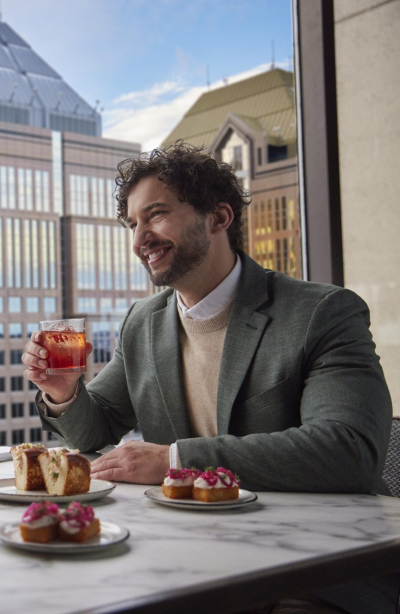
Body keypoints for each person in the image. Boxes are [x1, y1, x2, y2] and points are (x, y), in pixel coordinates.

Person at [23, 143, 395, 613]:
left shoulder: (321, 312)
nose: (140, 239)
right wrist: (64, 393)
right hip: (188, 552)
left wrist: (175, 460)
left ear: (219, 218)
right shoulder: (143, 321)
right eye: (133, 224)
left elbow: (347, 451)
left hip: (318, 563)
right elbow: (96, 429)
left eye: (156, 215)